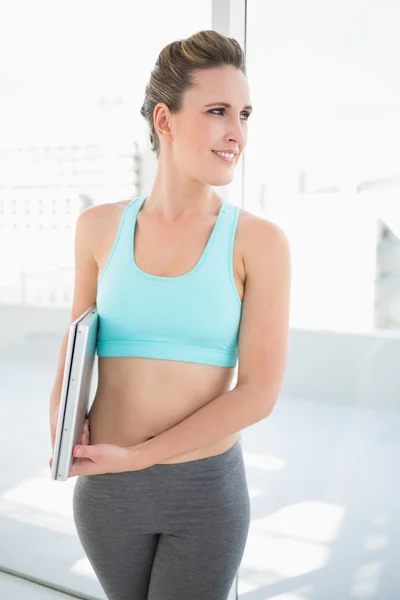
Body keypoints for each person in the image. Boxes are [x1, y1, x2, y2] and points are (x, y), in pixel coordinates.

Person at [48, 29, 291, 600]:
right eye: (217, 111)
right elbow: (78, 341)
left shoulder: (260, 243)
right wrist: (62, 424)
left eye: (245, 114)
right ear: (165, 120)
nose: (238, 133)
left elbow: (258, 392)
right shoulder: (97, 228)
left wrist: (138, 457)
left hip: (203, 493)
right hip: (107, 493)